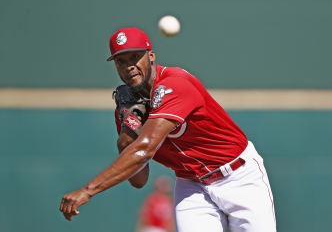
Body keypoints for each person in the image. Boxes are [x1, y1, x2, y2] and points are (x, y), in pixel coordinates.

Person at [59, 27, 277, 232]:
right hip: (192, 185)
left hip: (239, 176)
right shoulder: (128, 107)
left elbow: (145, 150)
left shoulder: (175, 84)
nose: (129, 66)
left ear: (151, 56)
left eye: (135, 57)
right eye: (121, 61)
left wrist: (88, 190)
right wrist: (128, 127)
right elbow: (139, 180)